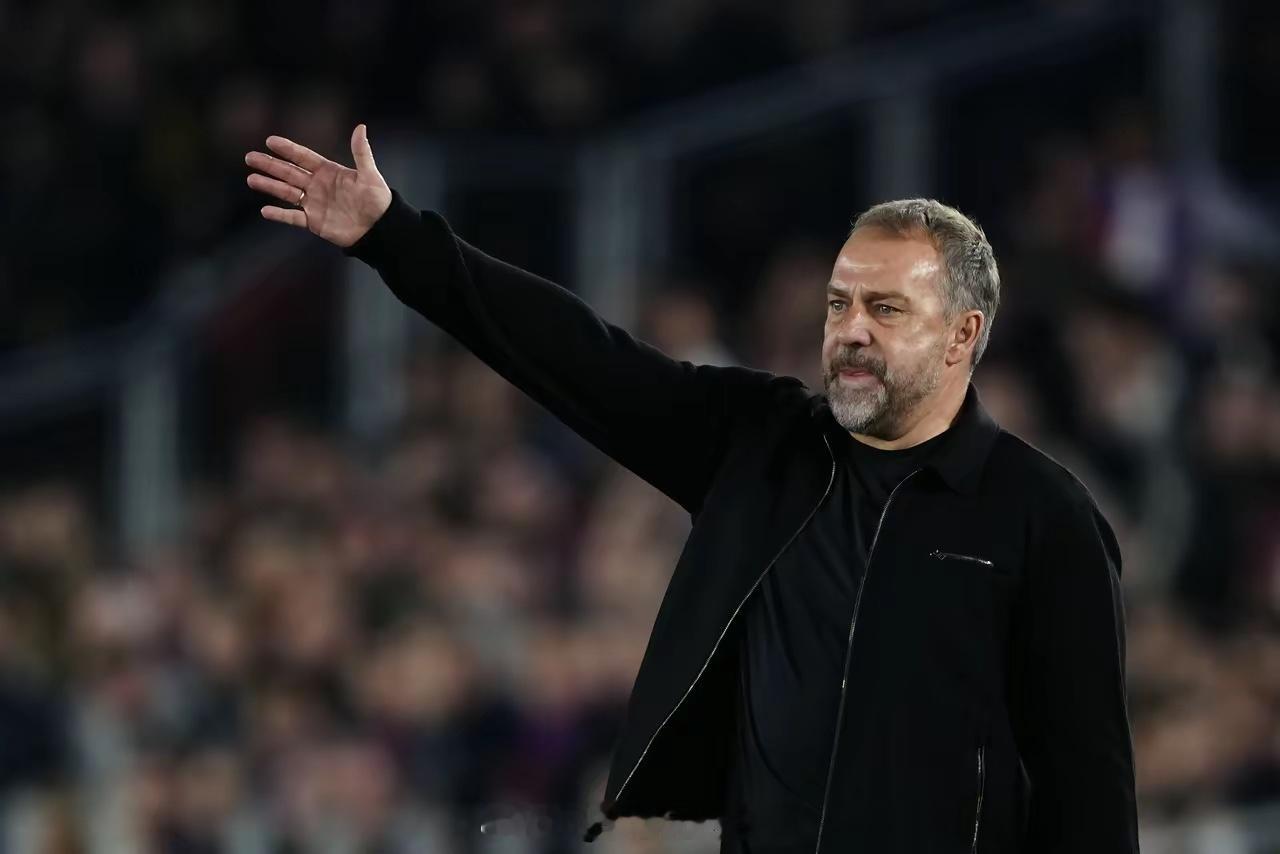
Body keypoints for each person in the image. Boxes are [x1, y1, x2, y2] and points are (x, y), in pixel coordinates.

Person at [245, 125, 1139, 853]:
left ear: (963, 335)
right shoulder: (763, 445)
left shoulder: (1043, 517)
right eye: (839, 304)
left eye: (886, 309)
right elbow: (579, 359)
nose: (850, 331)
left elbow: (1089, 791)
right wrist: (395, 237)